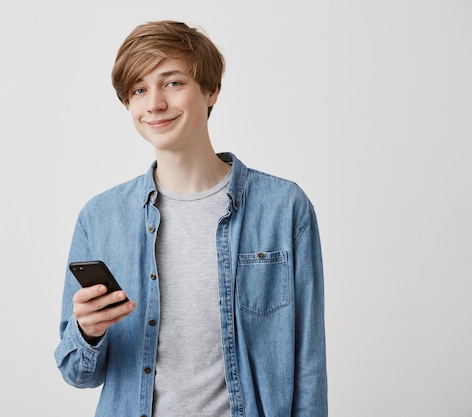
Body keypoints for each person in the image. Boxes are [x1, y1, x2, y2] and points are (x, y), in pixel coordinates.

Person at [55, 20, 327, 417]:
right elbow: (77, 373)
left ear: (211, 90)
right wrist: (88, 332)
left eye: (173, 83)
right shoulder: (100, 218)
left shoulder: (283, 207)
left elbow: (308, 364)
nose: (154, 105)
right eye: (139, 90)